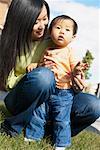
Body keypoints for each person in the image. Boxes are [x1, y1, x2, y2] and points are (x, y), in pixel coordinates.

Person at [0, 0, 100, 149]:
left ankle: (52, 134)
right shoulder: (11, 44)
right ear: (22, 20)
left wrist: (76, 82)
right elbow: (8, 83)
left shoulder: (54, 42)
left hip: (56, 98)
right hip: (20, 100)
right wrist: (37, 71)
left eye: (45, 19)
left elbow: (68, 69)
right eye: (36, 21)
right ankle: (14, 126)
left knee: (93, 105)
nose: (42, 26)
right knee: (44, 77)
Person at [25, 15, 89, 150]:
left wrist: (78, 69)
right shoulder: (47, 50)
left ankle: (61, 144)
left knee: (62, 120)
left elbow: (74, 69)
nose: (61, 32)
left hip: (64, 92)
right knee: (39, 113)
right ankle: (32, 137)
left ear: (73, 37)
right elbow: (43, 66)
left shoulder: (70, 52)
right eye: (58, 28)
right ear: (50, 32)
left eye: (67, 30)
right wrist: (35, 65)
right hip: (48, 90)